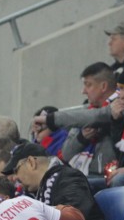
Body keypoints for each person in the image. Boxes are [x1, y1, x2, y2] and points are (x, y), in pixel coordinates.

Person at [3, 142, 110, 220]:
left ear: (31, 162)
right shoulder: (35, 192)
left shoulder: (68, 177)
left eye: (16, 170)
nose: (15, 177)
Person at [38, 62, 118, 191]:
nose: (83, 91)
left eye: (88, 85)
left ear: (103, 86)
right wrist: (82, 138)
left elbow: (98, 116)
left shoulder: (121, 107)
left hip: (104, 176)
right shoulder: (85, 113)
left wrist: (52, 119)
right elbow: (66, 153)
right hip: (83, 175)